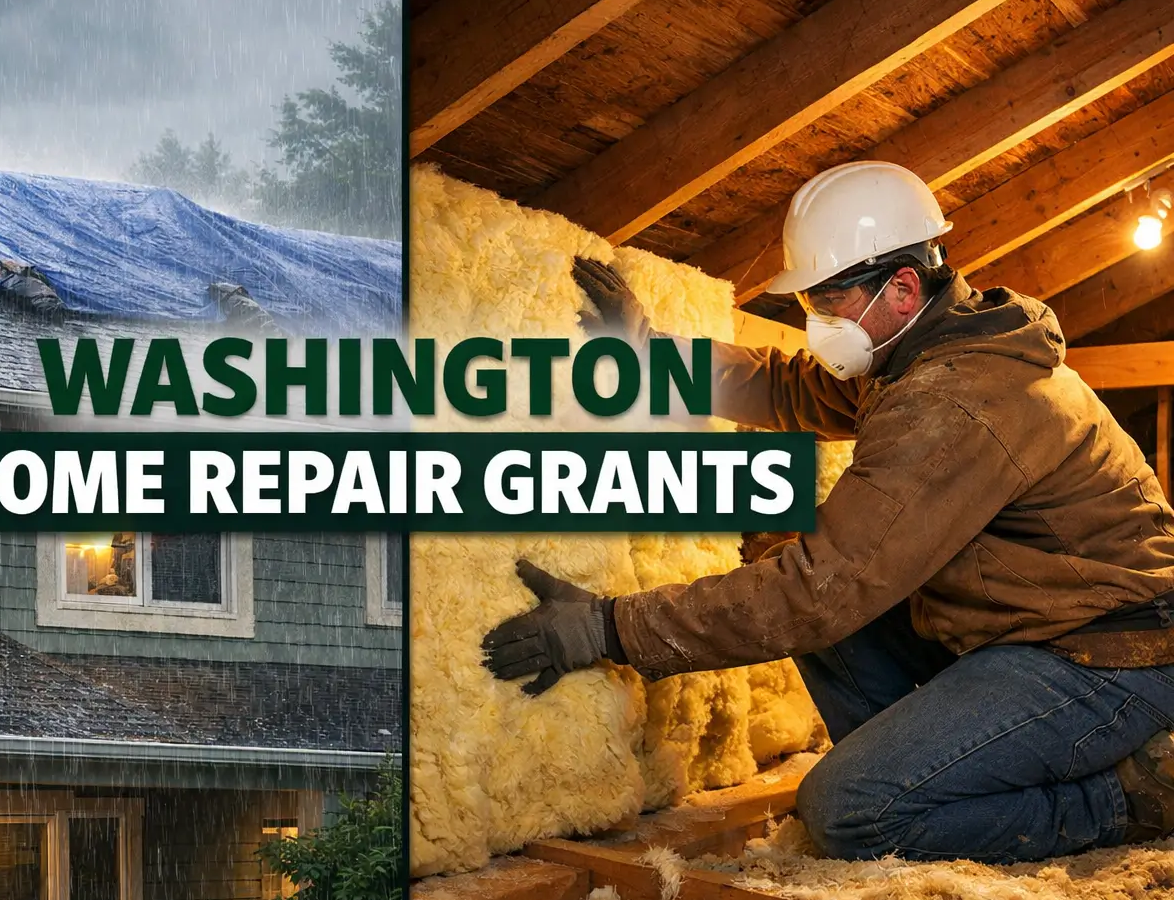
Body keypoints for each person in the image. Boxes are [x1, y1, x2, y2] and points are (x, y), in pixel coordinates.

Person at [481, 160, 1174, 863]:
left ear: (902, 288)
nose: (816, 323)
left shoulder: (956, 402)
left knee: (851, 812)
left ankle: (1130, 795)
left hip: (1107, 655)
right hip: (1024, 629)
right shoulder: (923, 352)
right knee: (798, 565)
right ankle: (928, 774)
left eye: (828, 303)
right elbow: (791, 390)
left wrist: (606, 627)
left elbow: (817, 592)